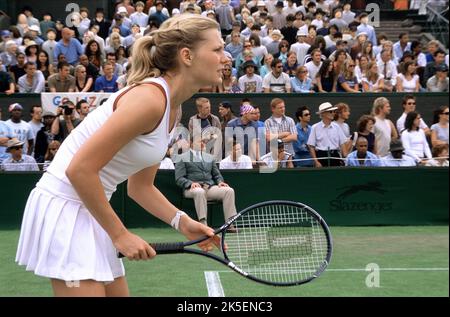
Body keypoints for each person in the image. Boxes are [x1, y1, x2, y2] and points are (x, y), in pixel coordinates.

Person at [16, 15, 225, 297]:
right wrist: (120, 235)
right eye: (217, 49)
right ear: (186, 55)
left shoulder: (173, 110)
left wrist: (182, 222)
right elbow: (78, 170)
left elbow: (141, 187)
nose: (225, 58)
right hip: (64, 207)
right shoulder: (149, 100)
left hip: (93, 208)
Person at [175, 135, 238, 228]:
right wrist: (191, 183)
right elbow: (179, 178)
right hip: (191, 189)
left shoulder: (209, 157)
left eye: (204, 142)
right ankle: (203, 224)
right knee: (199, 192)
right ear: (191, 144)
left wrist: (220, 181)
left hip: (209, 187)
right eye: (199, 142)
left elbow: (217, 175)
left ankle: (230, 224)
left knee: (229, 190)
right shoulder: (182, 157)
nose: (203, 144)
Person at [307, 102, 348, 167]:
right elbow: (311, 146)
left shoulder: (337, 127)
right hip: (321, 156)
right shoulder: (315, 127)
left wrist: (345, 159)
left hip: (335, 156)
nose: (333, 113)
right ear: (323, 114)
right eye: (330, 112)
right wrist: (316, 161)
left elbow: (342, 144)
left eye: (334, 111)